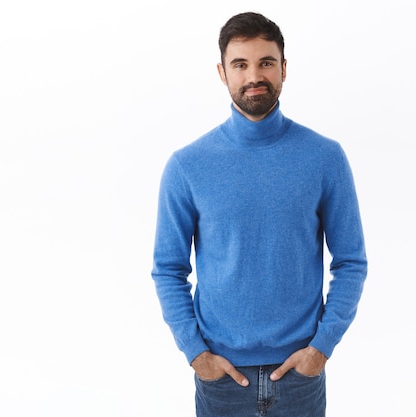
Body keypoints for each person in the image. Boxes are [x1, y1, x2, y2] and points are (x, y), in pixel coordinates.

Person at [151, 11, 367, 417]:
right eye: (240, 64)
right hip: (221, 378)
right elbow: (168, 269)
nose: (255, 75)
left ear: (284, 68)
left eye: (266, 62)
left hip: (300, 377)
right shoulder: (188, 165)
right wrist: (197, 354)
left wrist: (321, 348)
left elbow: (352, 261)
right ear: (222, 72)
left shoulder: (324, 158)